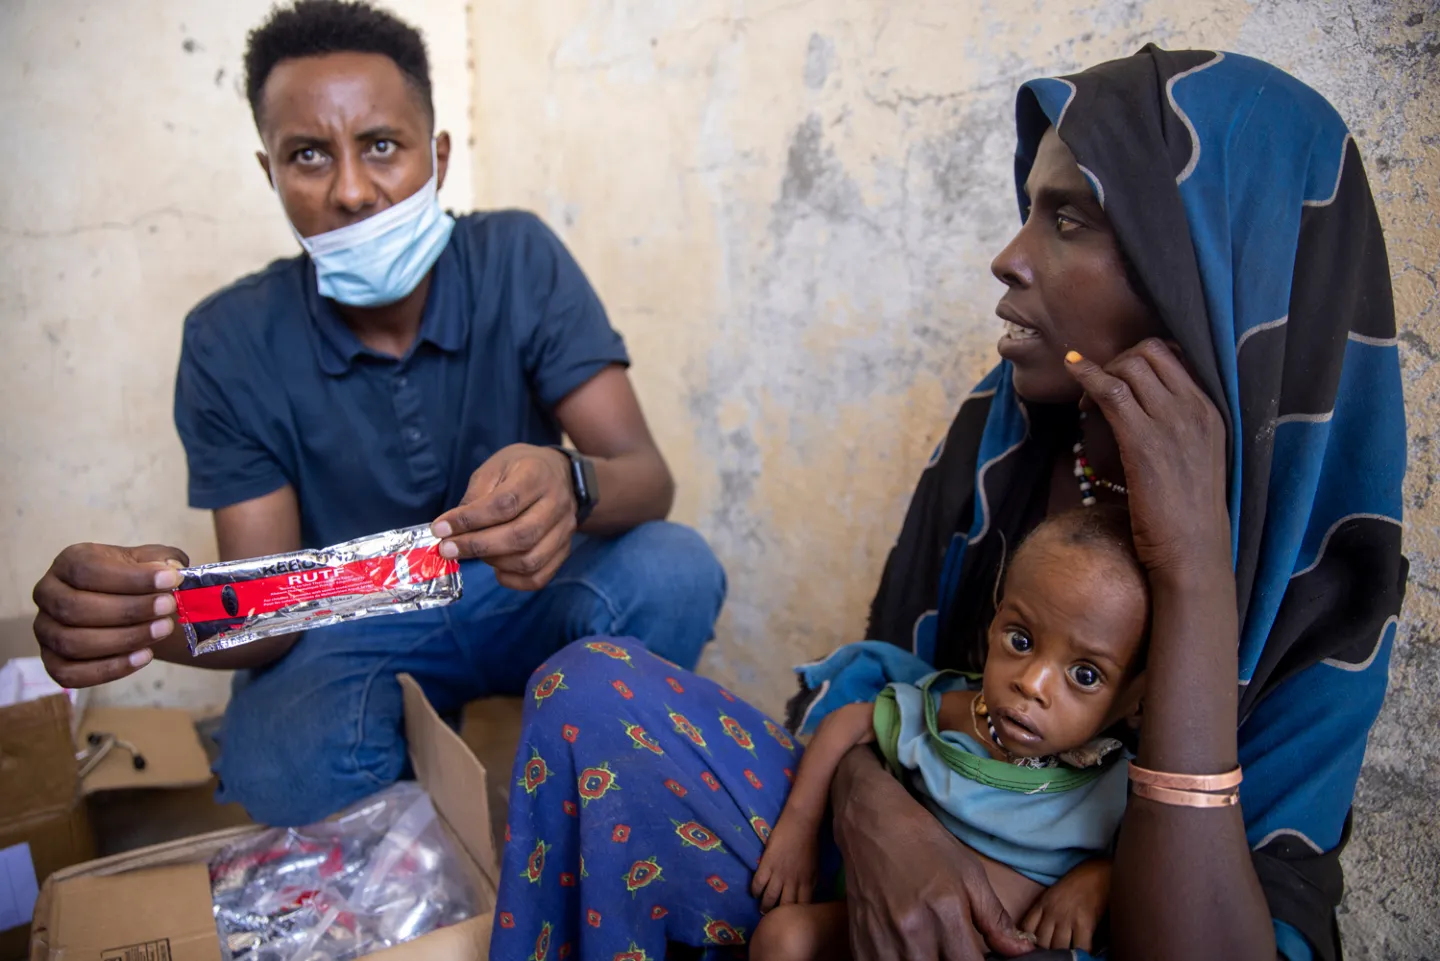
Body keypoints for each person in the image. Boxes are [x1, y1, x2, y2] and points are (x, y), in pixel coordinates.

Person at [486, 44, 1406, 961]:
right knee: (591, 693)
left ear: (1205, 270)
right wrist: (877, 812)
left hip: (1057, 928)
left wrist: (1196, 575)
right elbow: (897, 694)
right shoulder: (1008, 434)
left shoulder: (1324, 568)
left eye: (1070, 220)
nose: (1009, 257)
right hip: (892, 853)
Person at [28, 0, 725, 827]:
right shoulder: (228, 338)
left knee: (673, 568)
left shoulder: (516, 258)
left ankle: (575, 811)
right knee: (280, 766)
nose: (352, 190)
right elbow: (270, 620)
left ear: (438, 156)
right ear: (270, 173)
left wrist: (569, 480)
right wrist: (150, 613)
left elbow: (647, 479)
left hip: (523, 587)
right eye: (310, 155)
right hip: (347, 621)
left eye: (383, 147)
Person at [749, 506, 1149, 959]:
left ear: (1136, 697)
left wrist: (1100, 877)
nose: (1031, 683)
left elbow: (1156, 872)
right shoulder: (954, 714)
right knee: (782, 938)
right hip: (883, 931)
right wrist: (798, 827)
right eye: (1020, 640)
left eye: (1085, 674)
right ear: (996, 623)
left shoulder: (1117, 788)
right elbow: (849, 722)